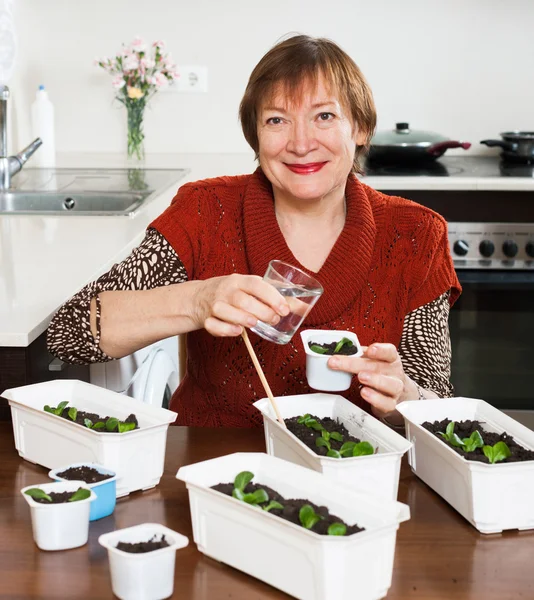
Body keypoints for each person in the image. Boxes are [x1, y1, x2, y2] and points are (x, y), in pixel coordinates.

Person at [47, 34, 461, 428]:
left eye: (324, 116)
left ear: (360, 128)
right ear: (256, 134)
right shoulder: (206, 211)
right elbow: (69, 333)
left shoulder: (416, 234)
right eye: (277, 119)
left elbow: (435, 402)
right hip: (218, 467)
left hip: (355, 469)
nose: (300, 143)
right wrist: (198, 300)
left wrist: (403, 396)